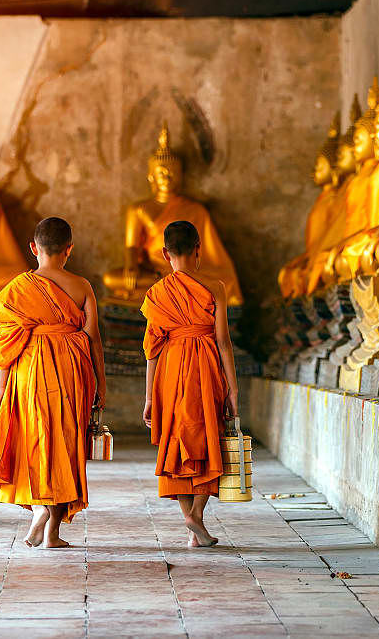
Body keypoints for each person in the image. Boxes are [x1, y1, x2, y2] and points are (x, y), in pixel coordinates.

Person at [0, 217, 106, 548]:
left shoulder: (17, 289)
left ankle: (40, 508)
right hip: (73, 371)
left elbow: (5, 342)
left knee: (35, 441)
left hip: (28, 370)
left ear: (33, 248)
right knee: (65, 445)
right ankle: (51, 530)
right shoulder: (82, 286)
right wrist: (101, 382)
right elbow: (94, 338)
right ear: (69, 249)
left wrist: (1, 385)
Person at [142, 220, 239, 548]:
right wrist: (233, 388)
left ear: (164, 254)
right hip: (206, 365)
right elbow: (224, 341)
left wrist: (148, 397)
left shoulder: (156, 294)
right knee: (207, 436)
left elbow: (151, 350)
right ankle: (195, 515)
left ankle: (191, 520)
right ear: (199, 248)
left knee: (177, 438)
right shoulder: (216, 287)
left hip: (169, 368)